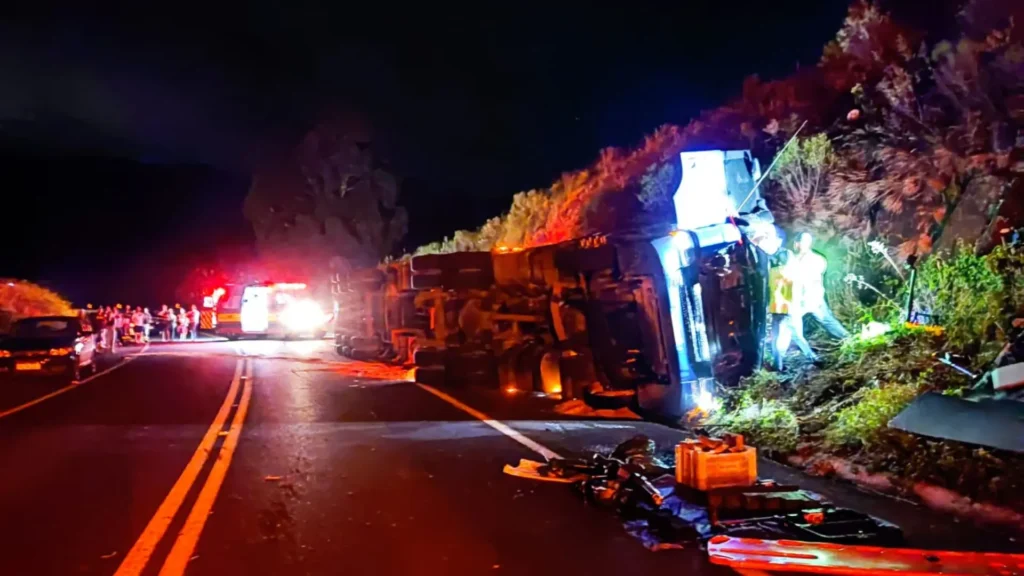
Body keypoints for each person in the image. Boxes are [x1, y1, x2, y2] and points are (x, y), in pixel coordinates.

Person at [791, 232, 849, 340]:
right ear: (797, 243)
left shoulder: (817, 259)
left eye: (807, 241)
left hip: (812, 297)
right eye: (802, 241)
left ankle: (848, 338)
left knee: (827, 320)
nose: (805, 244)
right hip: (796, 298)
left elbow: (814, 280)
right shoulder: (791, 258)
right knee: (790, 321)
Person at [768, 249, 816, 370]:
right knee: (798, 336)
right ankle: (813, 357)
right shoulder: (795, 273)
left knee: (777, 340)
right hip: (792, 309)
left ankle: (778, 366)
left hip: (776, 310)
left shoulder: (772, 272)